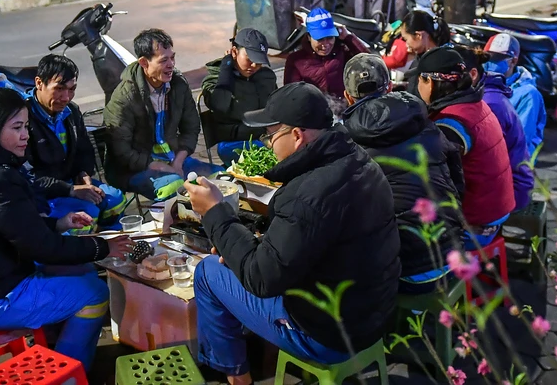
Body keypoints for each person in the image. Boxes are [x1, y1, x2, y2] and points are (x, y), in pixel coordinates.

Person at [183, 83, 400, 384]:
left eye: (270, 135)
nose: (266, 144)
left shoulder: (306, 194)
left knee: (208, 272)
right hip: (375, 314)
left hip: (329, 336)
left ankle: (238, 379)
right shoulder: (360, 160)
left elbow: (261, 279)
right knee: (233, 256)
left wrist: (215, 212)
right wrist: (242, 244)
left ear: (296, 135)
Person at [0, 87, 129, 374]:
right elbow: (43, 247)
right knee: (95, 293)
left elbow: (9, 225)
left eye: (26, 126)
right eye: (17, 127)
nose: (26, 135)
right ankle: (67, 376)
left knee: (82, 270)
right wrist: (103, 246)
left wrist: (60, 223)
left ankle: (52, 348)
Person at [340, 54, 465, 294]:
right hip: (454, 251)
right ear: (388, 87)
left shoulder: (346, 143)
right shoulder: (424, 121)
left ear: (347, 97)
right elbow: (457, 181)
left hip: (405, 269)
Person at [415, 47, 516, 248]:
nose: (416, 85)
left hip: (478, 224)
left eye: (419, 79)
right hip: (496, 210)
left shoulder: (452, 123)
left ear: (431, 82)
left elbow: (438, 182)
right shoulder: (475, 103)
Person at [104, 29, 221, 201]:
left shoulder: (178, 84)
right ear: (144, 62)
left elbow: (191, 128)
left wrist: (178, 162)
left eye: (172, 57)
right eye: (164, 60)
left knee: (222, 178)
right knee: (175, 187)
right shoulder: (125, 96)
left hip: (174, 161)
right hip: (135, 169)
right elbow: (122, 152)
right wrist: (161, 167)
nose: (171, 65)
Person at [26, 55, 127, 232]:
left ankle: (112, 248)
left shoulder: (71, 111)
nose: (66, 97)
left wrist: (84, 172)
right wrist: (70, 189)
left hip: (71, 183)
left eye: (72, 89)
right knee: (88, 212)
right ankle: (75, 254)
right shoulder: (23, 119)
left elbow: (84, 150)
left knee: (115, 199)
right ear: (39, 83)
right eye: (59, 88)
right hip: (43, 195)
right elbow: (29, 177)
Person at [458, 47, 535, 212]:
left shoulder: (489, 103)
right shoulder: (482, 94)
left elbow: (484, 163)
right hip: (502, 182)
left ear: (472, 74)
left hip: (511, 189)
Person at [202, 28, 278, 165]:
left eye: (259, 61)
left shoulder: (266, 77)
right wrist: (226, 69)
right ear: (234, 52)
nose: (254, 66)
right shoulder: (215, 78)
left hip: (265, 138)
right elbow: (219, 105)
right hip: (232, 144)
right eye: (249, 59)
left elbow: (275, 107)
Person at [484, 32, 546, 161]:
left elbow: (519, 141)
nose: (491, 62)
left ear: (513, 61)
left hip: (513, 166)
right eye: (488, 57)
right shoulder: (485, 83)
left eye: (497, 58)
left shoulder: (527, 95)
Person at [284, 8, 368, 98]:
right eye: (320, 39)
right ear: (309, 37)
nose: (326, 44)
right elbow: (291, 96)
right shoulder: (296, 60)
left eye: (330, 37)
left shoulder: (342, 51)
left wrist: (349, 38)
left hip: (343, 108)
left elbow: (369, 61)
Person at [400, 9, 451, 98]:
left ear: (419, 35)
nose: (406, 46)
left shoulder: (441, 62)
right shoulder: (421, 56)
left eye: (406, 39)